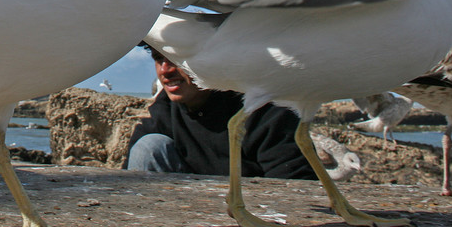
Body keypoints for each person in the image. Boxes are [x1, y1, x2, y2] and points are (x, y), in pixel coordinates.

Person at [125, 44, 315, 179]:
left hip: (254, 218)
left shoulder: (262, 109)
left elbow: (296, 183)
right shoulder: (166, 108)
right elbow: (129, 170)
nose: (165, 70)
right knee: (149, 147)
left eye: (175, 58)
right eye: (158, 58)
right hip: (188, 218)